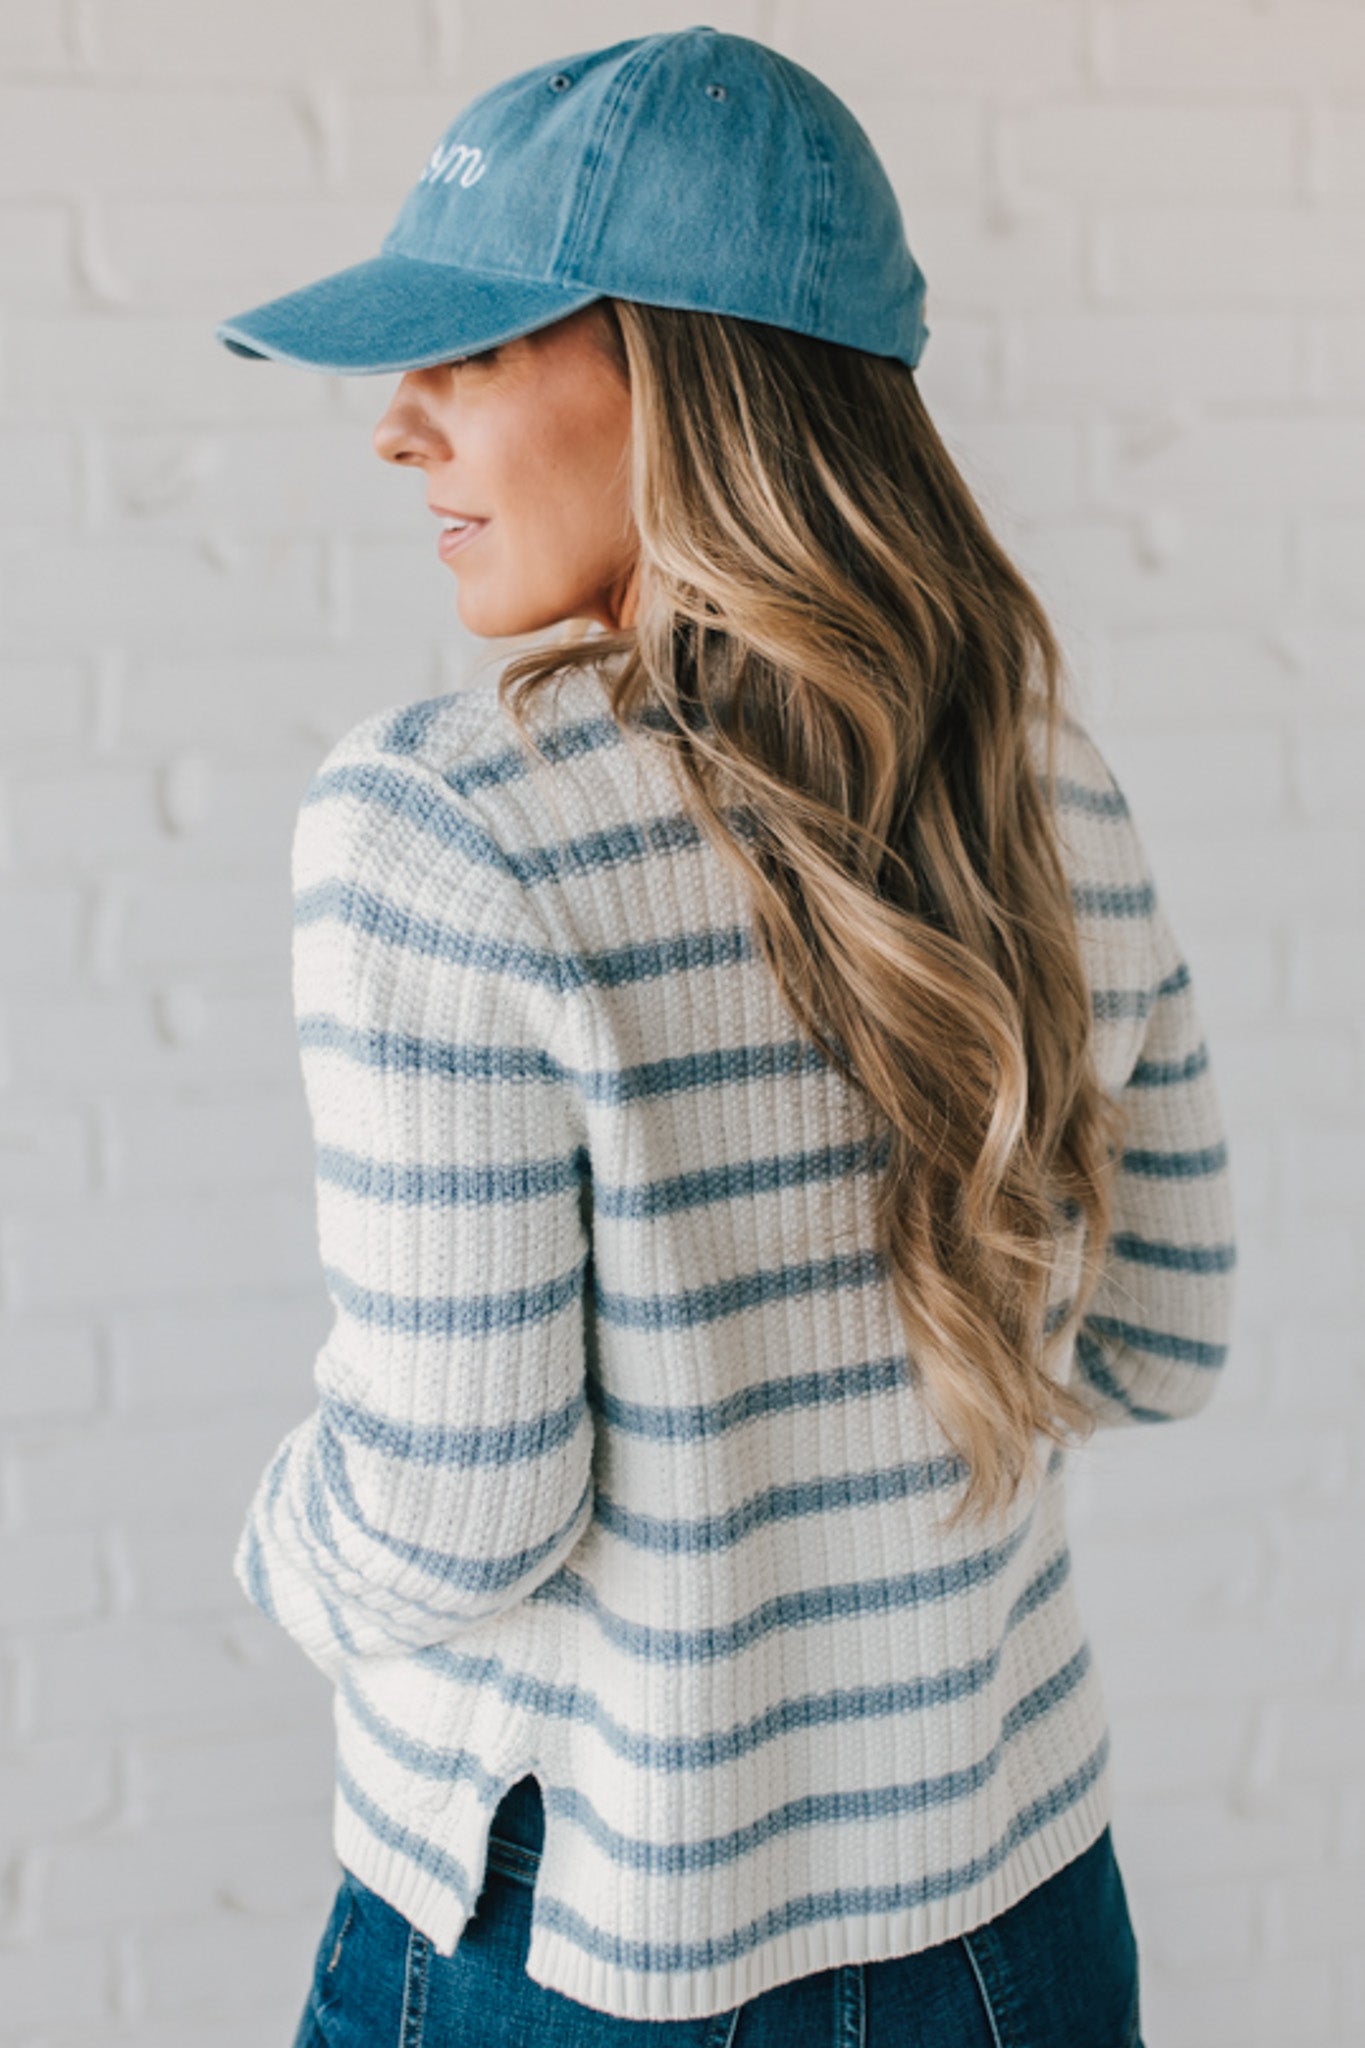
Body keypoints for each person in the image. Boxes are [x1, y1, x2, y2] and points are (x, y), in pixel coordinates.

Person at [214, 26, 1235, 2048]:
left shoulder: (438, 827)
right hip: (1020, 1925)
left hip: (599, 1953)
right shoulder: (1029, 768)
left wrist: (274, 1556)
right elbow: (1158, 1332)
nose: (397, 429)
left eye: (479, 347)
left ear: (691, 375)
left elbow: (452, 1502)